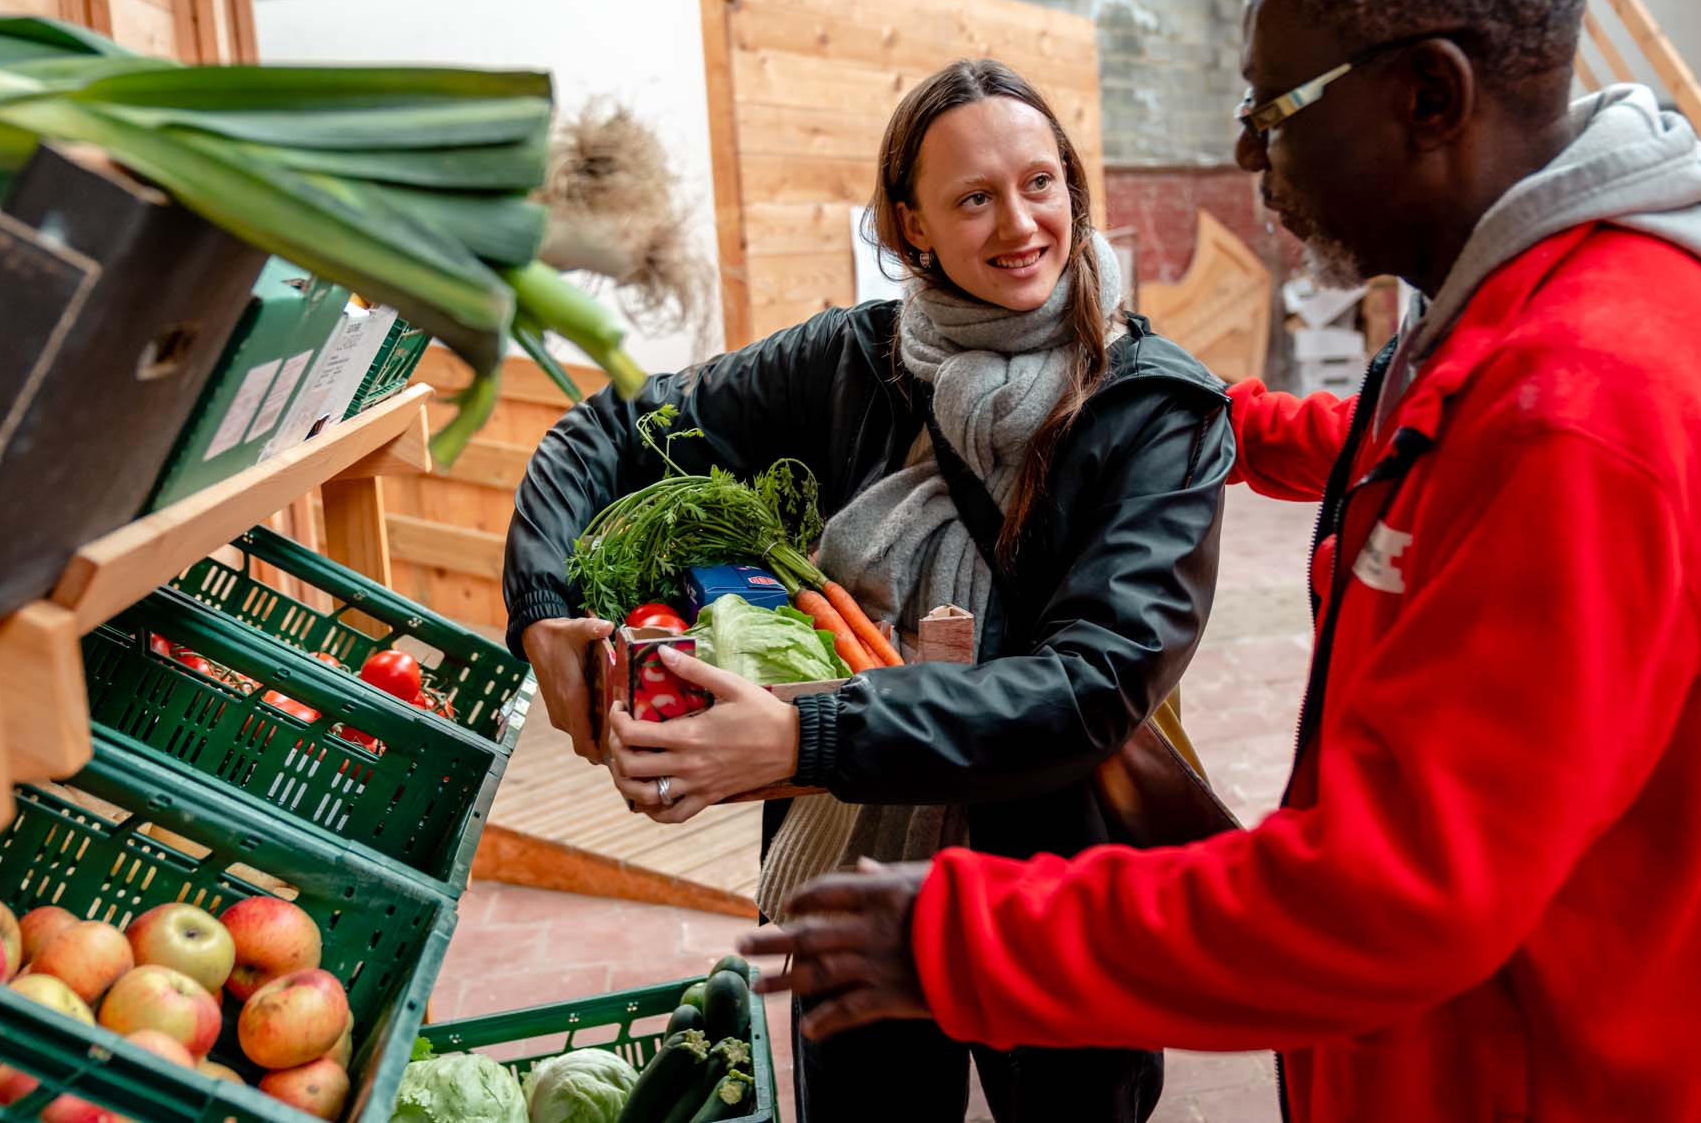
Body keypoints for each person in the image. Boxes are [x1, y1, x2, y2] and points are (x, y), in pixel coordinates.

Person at [742, 0, 1701, 1120]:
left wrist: (968, 940)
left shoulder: (1585, 411)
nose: (1246, 147)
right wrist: (1164, 405)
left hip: (1603, 1074)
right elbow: (1385, 442)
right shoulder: (1496, 318)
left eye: (1273, 105)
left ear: (1427, 96)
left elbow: (1394, 891)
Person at [503, 58, 1234, 1122]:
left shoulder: (1154, 411)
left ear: (1074, 189)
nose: (1020, 224)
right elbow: (612, 427)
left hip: (1054, 871)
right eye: (973, 198)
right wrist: (541, 610)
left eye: (1040, 184)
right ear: (911, 227)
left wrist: (809, 736)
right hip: (852, 872)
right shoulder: (850, 363)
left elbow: (1094, 683)